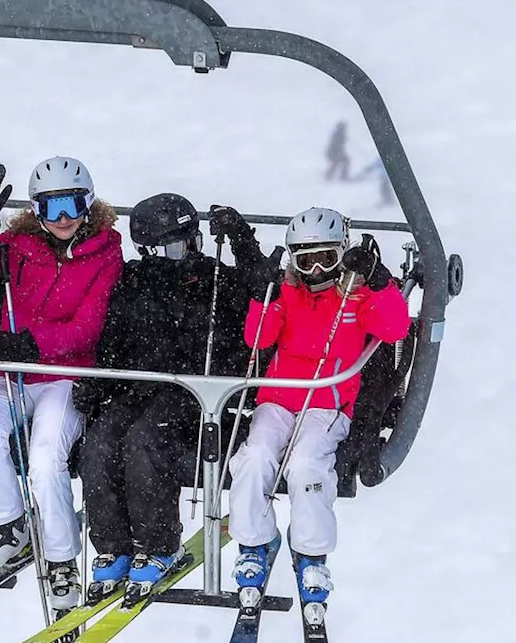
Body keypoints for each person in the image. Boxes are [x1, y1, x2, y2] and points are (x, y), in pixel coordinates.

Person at [71, 195, 265, 598]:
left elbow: (263, 292)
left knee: (144, 439)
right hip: (139, 385)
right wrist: (99, 382)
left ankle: (160, 545)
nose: (182, 255)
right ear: (146, 250)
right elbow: (114, 339)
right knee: (100, 441)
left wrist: (242, 242)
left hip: (195, 393)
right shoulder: (134, 281)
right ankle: (113, 547)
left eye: (186, 243)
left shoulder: (214, 278)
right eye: (168, 248)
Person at [0, 158, 123, 612]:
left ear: (90, 203)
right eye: (52, 208)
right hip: (13, 373)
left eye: (74, 204)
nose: (64, 217)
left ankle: (62, 556)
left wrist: (33, 343)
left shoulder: (105, 252)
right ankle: (10, 525)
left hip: (67, 375)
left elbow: (89, 328)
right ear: (37, 210)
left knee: (46, 457)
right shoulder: (17, 244)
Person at [228, 207, 409, 612]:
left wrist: (378, 282)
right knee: (253, 458)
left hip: (328, 401)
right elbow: (258, 338)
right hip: (277, 396)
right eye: (304, 260)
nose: (314, 270)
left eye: (326, 258)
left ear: (342, 253)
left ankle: (312, 555)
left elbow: (394, 328)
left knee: (307, 465)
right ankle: (254, 543)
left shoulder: (357, 293)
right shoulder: (287, 291)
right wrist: (263, 294)